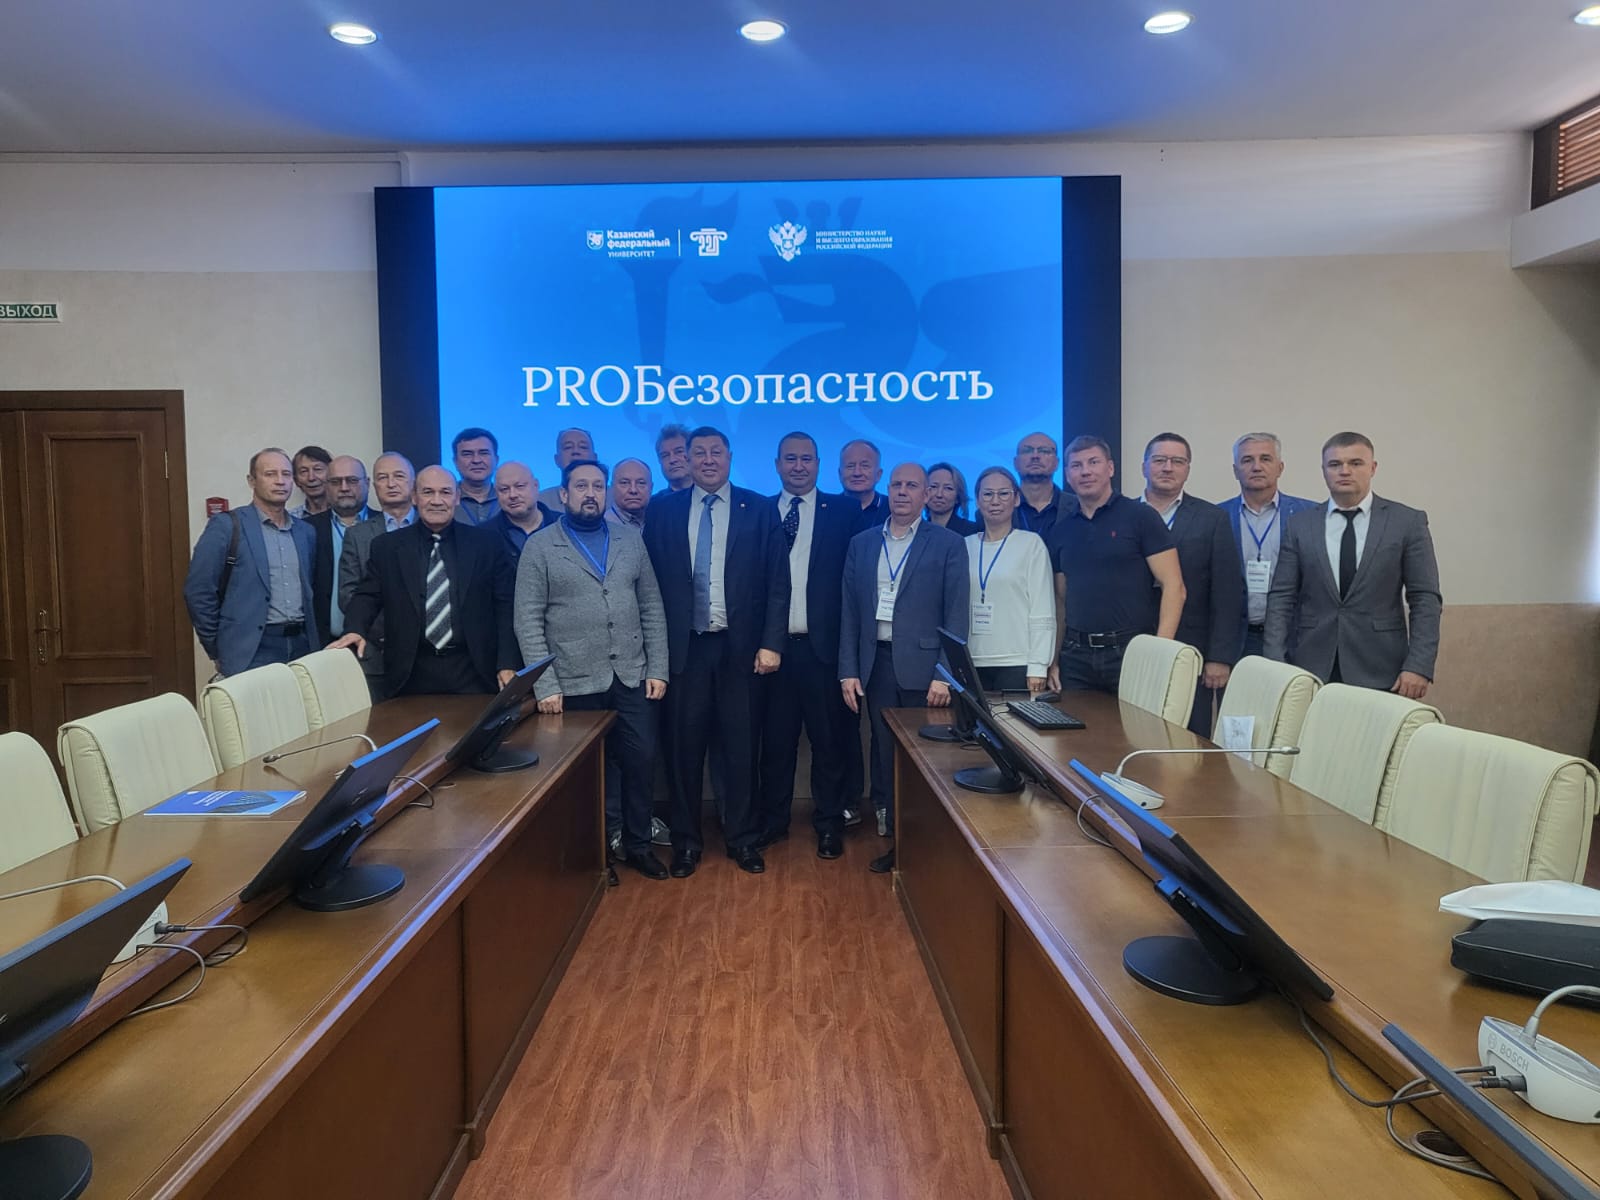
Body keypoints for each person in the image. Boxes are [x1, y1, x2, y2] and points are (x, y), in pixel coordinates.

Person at [642, 426, 789, 877]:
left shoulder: (759, 508)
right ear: (686, 459)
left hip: (740, 649)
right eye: (699, 452)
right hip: (685, 650)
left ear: (729, 456)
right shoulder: (662, 510)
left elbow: (777, 582)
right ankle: (686, 843)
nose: (708, 460)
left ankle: (742, 839)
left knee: (740, 749)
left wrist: (771, 643)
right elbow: (649, 587)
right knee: (683, 752)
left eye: (716, 452)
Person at [516, 460, 670, 880]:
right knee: (589, 774)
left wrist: (658, 668)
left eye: (598, 486)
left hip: (631, 675)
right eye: (581, 486)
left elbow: (651, 605)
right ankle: (598, 855)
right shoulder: (540, 546)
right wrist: (545, 685)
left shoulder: (630, 540)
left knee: (641, 761)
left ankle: (638, 845)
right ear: (564, 494)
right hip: (573, 679)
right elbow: (527, 620)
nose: (590, 494)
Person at [840, 462, 969, 874]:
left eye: (912, 485)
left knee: (926, 759)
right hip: (875, 665)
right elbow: (849, 613)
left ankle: (932, 849)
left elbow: (956, 615)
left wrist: (943, 674)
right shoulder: (862, 543)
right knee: (884, 755)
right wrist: (848, 670)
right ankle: (900, 846)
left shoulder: (948, 543)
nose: (901, 492)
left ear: (926, 495)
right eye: (896, 484)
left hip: (926, 669)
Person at [1264, 432, 1442, 698]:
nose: (1344, 471)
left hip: (1383, 667)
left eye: (1355, 463)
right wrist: (1275, 663)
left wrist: (1418, 665)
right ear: (1323, 470)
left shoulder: (1406, 522)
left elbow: (1425, 598)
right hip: (1312, 667)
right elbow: (1281, 597)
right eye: (1335, 464)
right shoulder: (1301, 525)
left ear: (1373, 468)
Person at [757, 432, 859, 860]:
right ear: (777, 464)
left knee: (828, 743)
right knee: (775, 744)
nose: (798, 466)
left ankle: (829, 823)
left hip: (824, 651)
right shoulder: (759, 511)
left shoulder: (845, 511)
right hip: (773, 651)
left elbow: (855, 584)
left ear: (818, 464)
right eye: (790, 459)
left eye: (806, 459)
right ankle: (773, 821)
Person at [333, 466, 519, 696]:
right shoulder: (387, 547)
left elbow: (505, 606)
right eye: (428, 492)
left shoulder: (486, 544)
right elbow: (367, 595)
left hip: (474, 670)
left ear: (457, 497)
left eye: (445, 492)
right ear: (414, 497)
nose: (436, 501)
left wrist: (507, 662)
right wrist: (355, 628)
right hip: (410, 672)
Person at [1046, 436, 1184, 695]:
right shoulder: (1061, 530)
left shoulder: (1141, 517)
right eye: (1076, 465)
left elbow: (1174, 587)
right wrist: (1054, 660)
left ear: (1110, 468)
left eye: (1093, 462)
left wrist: (1160, 652)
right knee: (1073, 723)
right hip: (1075, 658)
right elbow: (1062, 601)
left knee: (1133, 723)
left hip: (1131, 652)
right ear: (1067, 475)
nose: (1085, 471)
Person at [1139, 433, 1244, 735]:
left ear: (1187, 469)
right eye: (1159, 460)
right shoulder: (1125, 515)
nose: (1167, 467)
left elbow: (1227, 592)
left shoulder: (1212, 518)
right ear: (1144, 466)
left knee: (1188, 737)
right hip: (1132, 647)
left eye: (1177, 461)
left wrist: (1219, 657)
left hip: (1192, 650)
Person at [184, 447, 319, 676]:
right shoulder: (227, 526)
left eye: (286, 474)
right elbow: (199, 590)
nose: (280, 481)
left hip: (302, 646)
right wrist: (217, 647)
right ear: (252, 481)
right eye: (270, 474)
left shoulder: (305, 532)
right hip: (252, 648)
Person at [1216, 432, 1320, 659]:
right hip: (1236, 640)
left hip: (1297, 639)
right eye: (1247, 460)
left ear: (1280, 467)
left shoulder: (1310, 515)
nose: (1256, 467)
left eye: (1265, 459)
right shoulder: (1217, 516)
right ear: (1235, 470)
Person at [964, 467, 1054, 694]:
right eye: (987, 494)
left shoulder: (1031, 544)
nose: (995, 501)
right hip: (972, 660)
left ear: (1016, 499)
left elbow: (1042, 608)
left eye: (1003, 494)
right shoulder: (964, 546)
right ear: (977, 500)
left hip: (1017, 661)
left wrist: (1038, 665)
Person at [338, 452, 416, 699]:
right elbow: (349, 595)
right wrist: (389, 632)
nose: (391, 483)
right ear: (373, 485)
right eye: (383, 477)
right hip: (375, 654)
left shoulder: (431, 526)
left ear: (413, 483)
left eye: (399, 476)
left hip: (424, 655)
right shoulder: (357, 535)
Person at [307, 455, 377, 641]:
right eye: (336, 482)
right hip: (323, 642)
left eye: (352, 480)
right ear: (326, 486)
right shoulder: (307, 529)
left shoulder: (385, 526)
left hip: (376, 641)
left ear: (367, 483)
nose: (344, 488)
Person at [488, 462, 547, 556]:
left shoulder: (563, 525)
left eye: (520, 486)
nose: (512, 495)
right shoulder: (485, 534)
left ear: (536, 485)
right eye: (504, 489)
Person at [1013, 432, 1065, 536]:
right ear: (1016, 463)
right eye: (1027, 451)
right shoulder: (998, 508)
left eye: (1044, 451)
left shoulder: (1078, 507)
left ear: (1056, 463)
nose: (1035, 456)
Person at [451, 427, 500, 525]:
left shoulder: (510, 498)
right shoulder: (445, 499)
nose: (476, 460)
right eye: (467, 454)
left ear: (496, 459)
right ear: (455, 462)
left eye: (484, 453)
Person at [839, 438, 888, 530]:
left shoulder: (893, 509)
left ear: (879, 474)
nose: (857, 473)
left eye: (865, 466)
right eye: (850, 466)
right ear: (840, 474)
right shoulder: (828, 509)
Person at [925, 462, 981, 536]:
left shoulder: (973, 532)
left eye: (948, 488)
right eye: (933, 486)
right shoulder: (916, 532)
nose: (939, 494)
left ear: (958, 497)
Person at [607, 457, 652, 529]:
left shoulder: (661, 521)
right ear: (612, 487)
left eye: (641, 483)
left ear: (651, 488)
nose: (633, 490)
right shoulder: (602, 526)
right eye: (624, 483)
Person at [289, 445, 332, 519]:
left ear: (332, 474)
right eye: (304, 471)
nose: (311, 478)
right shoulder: (290, 519)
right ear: (296, 480)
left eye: (317, 469)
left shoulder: (344, 514)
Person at [653, 423, 693, 497]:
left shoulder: (712, 496)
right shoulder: (653, 503)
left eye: (679, 452)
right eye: (665, 455)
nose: (672, 460)